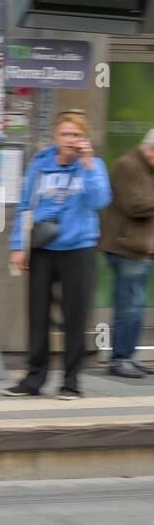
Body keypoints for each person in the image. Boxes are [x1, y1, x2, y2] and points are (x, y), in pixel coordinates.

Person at [4, 112, 112, 400]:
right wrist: (18, 245)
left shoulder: (93, 165)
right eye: (66, 134)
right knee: (37, 314)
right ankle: (33, 379)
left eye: (77, 135)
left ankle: (71, 382)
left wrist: (88, 165)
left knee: (74, 317)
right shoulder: (40, 164)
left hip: (79, 248)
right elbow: (25, 205)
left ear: (84, 139)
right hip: (43, 248)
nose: (71, 140)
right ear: (56, 136)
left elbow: (101, 200)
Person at [98, 130, 154, 378]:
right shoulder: (126, 165)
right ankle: (119, 358)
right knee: (128, 305)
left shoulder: (146, 169)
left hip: (141, 248)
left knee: (136, 305)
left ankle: (128, 356)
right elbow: (135, 205)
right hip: (125, 247)